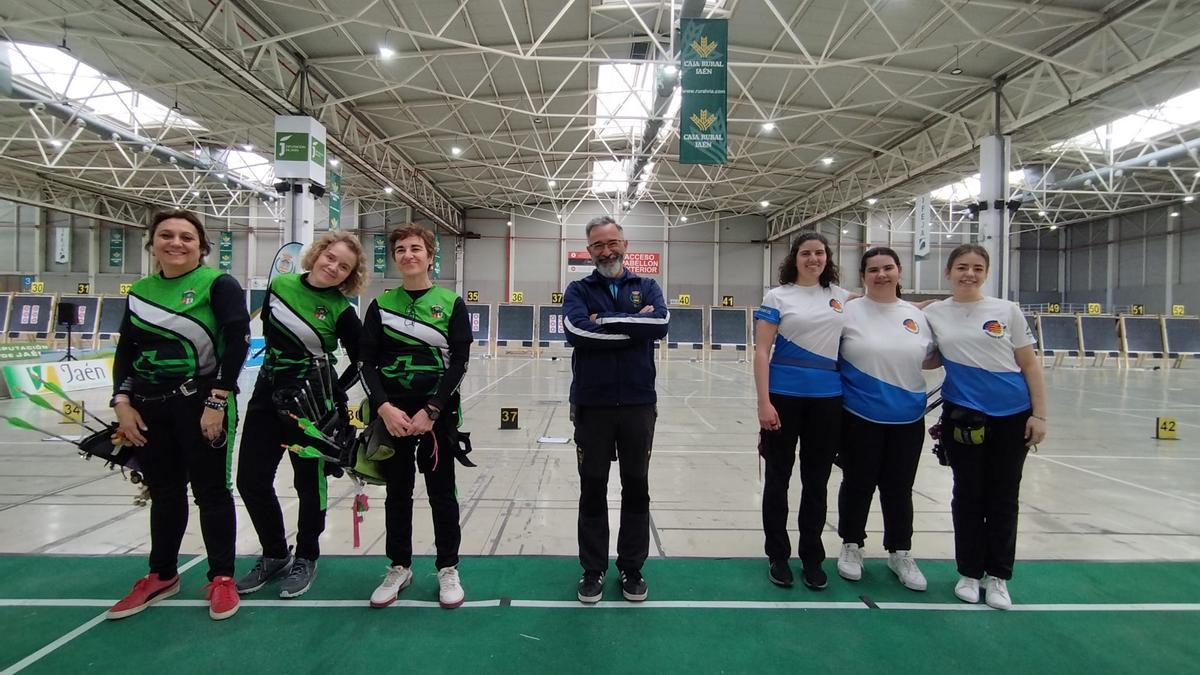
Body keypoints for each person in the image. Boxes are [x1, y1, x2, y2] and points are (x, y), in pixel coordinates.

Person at [106, 209, 250, 621]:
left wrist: (217, 402)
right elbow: (126, 352)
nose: (176, 243)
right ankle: (162, 574)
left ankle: (222, 577)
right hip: (149, 408)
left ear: (201, 247)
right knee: (165, 492)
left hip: (202, 402)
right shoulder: (140, 291)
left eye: (187, 237)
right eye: (166, 236)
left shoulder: (217, 284)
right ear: (153, 244)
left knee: (211, 491)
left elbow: (236, 341)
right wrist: (122, 402)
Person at [235, 231, 366, 598]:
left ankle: (307, 555)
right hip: (266, 395)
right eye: (331, 257)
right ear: (318, 253)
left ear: (350, 276)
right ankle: (275, 553)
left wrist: (336, 391)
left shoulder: (341, 310)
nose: (333, 267)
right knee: (251, 480)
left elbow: (362, 359)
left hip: (312, 404)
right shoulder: (280, 285)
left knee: (309, 485)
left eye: (344, 267)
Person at [923, 243, 1048, 610]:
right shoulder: (935, 313)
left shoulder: (1006, 311)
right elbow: (928, 356)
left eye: (978, 268)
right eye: (962, 267)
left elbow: (1030, 365)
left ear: (986, 273)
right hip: (964, 418)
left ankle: (998, 577)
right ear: (948, 272)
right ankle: (968, 573)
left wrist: (1038, 415)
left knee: (1004, 497)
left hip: (1012, 417)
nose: (969, 274)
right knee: (968, 495)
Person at [360, 224, 472, 609]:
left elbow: (459, 362)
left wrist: (433, 410)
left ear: (429, 255)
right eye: (401, 250)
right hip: (392, 416)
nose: (408, 255)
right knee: (397, 494)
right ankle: (399, 566)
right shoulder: (380, 305)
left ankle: (448, 568)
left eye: (416, 249)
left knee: (442, 494)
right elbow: (367, 362)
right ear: (395, 258)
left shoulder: (451, 303)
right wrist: (384, 408)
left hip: (435, 416)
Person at [563, 215, 670, 604]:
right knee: (592, 487)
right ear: (589, 250)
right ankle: (592, 570)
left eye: (612, 243)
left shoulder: (647, 285)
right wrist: (632, 326)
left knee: (636, 486)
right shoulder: (577, 289)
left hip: (639, 403)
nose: (606, 250)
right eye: (597, 245)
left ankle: (631, 567)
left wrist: (602, 322)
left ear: (625, 244)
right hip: (592, 404)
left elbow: (660, 324)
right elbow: (576, 333)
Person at [835, 247, 937, 591]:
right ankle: (851, 545)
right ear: (863, 276)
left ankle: (900, 552)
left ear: (899, 272)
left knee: (899, 489)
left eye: (888, 268)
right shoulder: (847, 312)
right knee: (858, 484)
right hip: (859, 415)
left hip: (908, 418)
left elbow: (932, 358)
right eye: (873, 269)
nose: (881, 275)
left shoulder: (917, 316)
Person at [754, 231, 849, 591]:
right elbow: (763, 351)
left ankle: (812, 557)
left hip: (828, 401)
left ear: (828, 258)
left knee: (817, 482)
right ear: (795, 258)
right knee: (778, 479)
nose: (813, 259)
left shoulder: (842, 298)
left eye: (820, 253)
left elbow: (885, 306)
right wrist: (764, 402)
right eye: (806, 253)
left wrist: (929, 306)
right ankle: (778, 555)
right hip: (783, 398)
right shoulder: (777, 296)